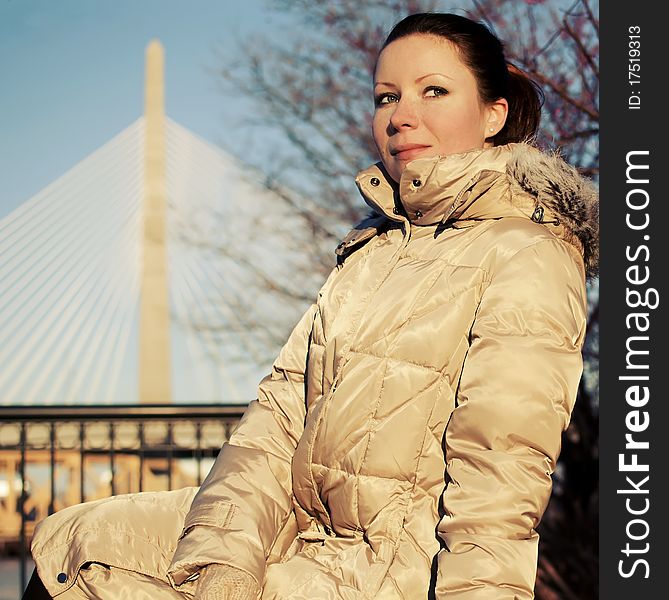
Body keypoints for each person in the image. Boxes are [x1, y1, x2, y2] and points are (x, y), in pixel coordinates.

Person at [25, 12, 598, 600]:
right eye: (386, 96)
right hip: (302, 538)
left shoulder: (528, 251)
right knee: (77, 543)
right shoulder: (372, 251)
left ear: (493, 114)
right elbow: (273, 428)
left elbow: (499, 473)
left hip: (387, 570)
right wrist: (223, 566)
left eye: (434, 91)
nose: (402, 115)